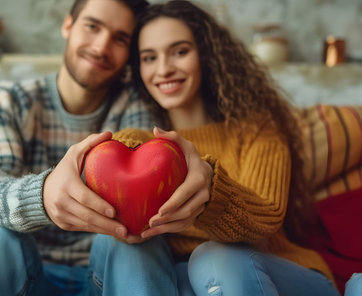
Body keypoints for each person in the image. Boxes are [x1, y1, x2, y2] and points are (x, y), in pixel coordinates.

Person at [0, 0, 208, 295]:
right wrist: (44, 196)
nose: (101, 47)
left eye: (120, 38)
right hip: (31, 273)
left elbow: (150, 173)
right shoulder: (9, 101)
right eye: (92, 27)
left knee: (134, 247)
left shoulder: (136, 104)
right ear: (68, 25)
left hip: (104, 274)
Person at [86, 1, 343, 295]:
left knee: (214, 257)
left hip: (280, 272)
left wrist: (208, 193)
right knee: (131, 251)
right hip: (187, 280)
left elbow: (266, 218)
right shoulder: (138, 143)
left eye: (180, 52)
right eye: (148, 58)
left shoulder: (256, 129)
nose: (164, 69)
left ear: (206, 55)